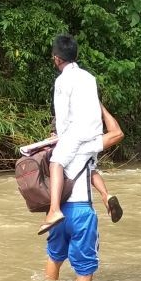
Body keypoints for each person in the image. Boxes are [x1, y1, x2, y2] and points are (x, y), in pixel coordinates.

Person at [38, 34, 123, 235]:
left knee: (56, 162)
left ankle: (54, 210)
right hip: (94, 132)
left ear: (57, 58)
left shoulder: (62, 80)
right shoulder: (89, 77)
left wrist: (59, 135)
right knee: (89, 165)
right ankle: (106, 195)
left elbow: (62, 113)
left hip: (75, 131)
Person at [44, 104, 125, 281]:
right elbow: (117, 133)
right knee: (85, 270)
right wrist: (98, 105)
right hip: (81, 213)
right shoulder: (84, 144)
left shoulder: (51, 146)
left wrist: (104, 194)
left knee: (54, 257)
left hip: (57, 213)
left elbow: (90, 171)